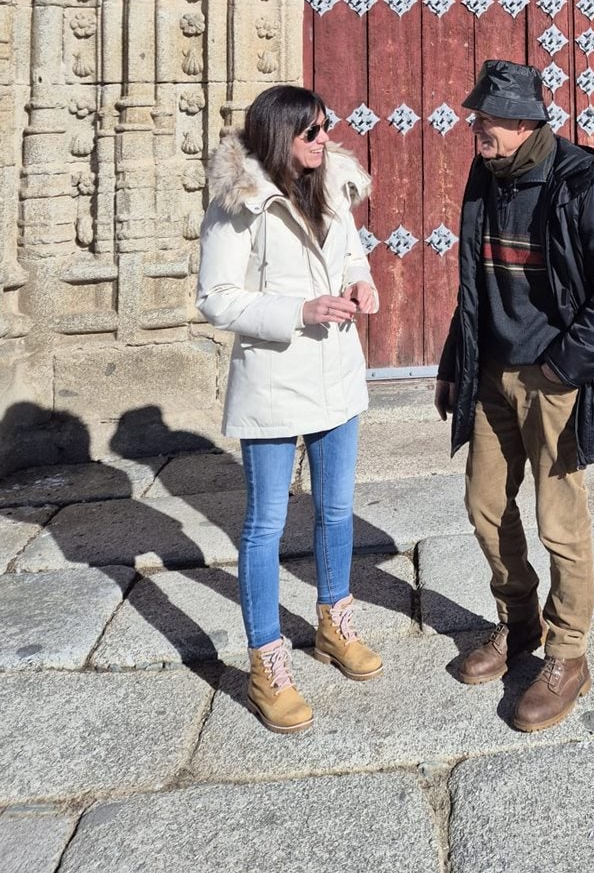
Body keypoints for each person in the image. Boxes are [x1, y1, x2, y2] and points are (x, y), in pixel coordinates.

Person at [435, 59, 594, 732]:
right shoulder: (486, 173)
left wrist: (563, 368)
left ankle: (568, 654)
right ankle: (519, 621)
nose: (477, 127)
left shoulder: (582, 182)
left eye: (489, 119)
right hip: (491, 374)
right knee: (483, 506)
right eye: (478, 115)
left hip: (553, 379)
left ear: (525, 122)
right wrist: (455, 363)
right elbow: (473, 283)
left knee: (560, 521)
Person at [197, 84, 383, 734]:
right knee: (265, 525)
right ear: (281, 136)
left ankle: (335, 624)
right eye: (312, 132)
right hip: (275, 382)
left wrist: (361, 281)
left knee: (334, 510)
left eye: (327, 127)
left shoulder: (331, 185)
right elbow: (216, 298)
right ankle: (266, 661)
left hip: (335, 374)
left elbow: (352, 252)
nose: (326, 139)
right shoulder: (237, 205)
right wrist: (295, 312)